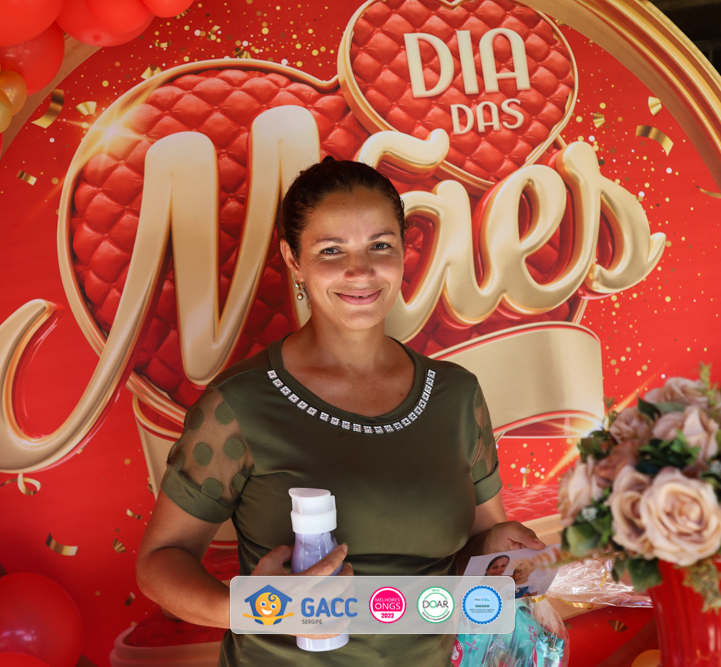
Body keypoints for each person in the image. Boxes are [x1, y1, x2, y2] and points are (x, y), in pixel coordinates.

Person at [136, 157, 545, 666]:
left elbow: (479, 550)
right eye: (332, 250)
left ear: (403, 250)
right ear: (293, 259)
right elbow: (159, 564)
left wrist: (501, 547)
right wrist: (258, 610)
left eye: (380, 245)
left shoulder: (456, 396)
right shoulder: (239, 403)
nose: (361, 270)